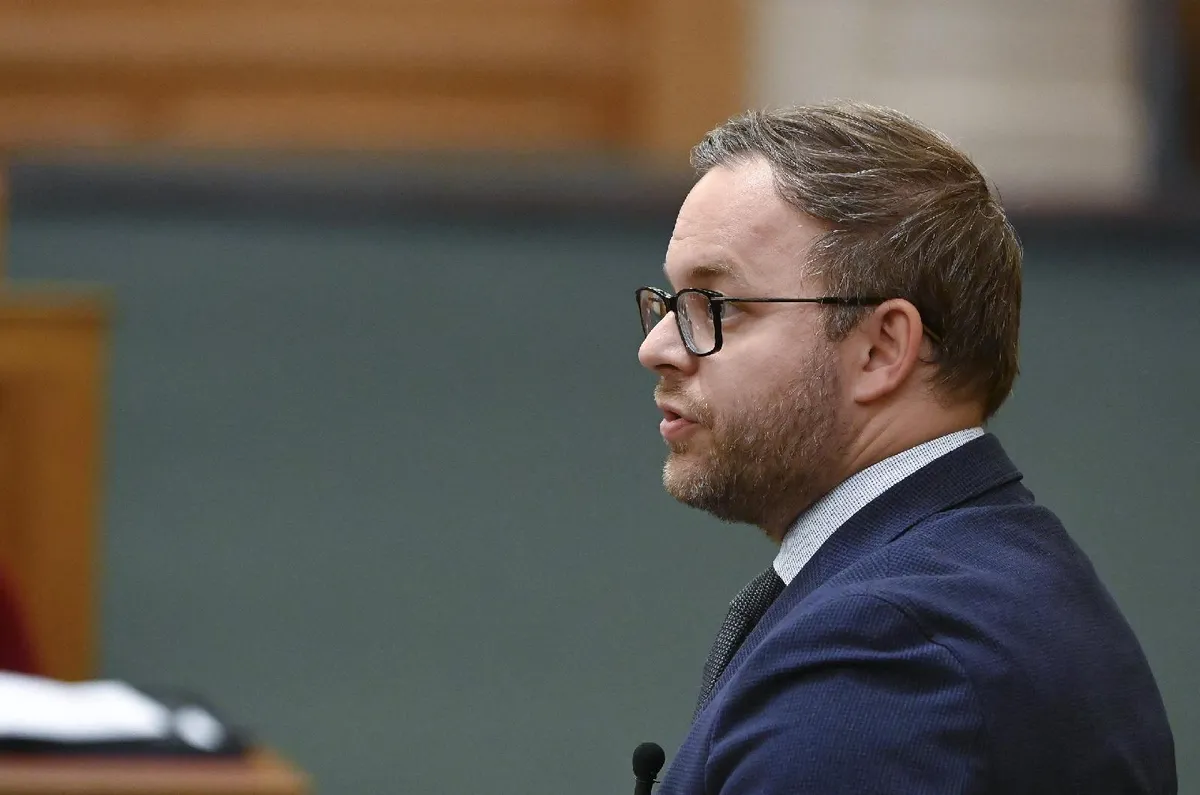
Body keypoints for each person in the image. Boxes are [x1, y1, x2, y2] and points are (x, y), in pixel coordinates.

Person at [635, 102, 1176, 794]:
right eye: (669, 303)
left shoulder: (887, 657)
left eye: (718, 304)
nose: (657, 348)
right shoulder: (985, 581)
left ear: (882, 348)